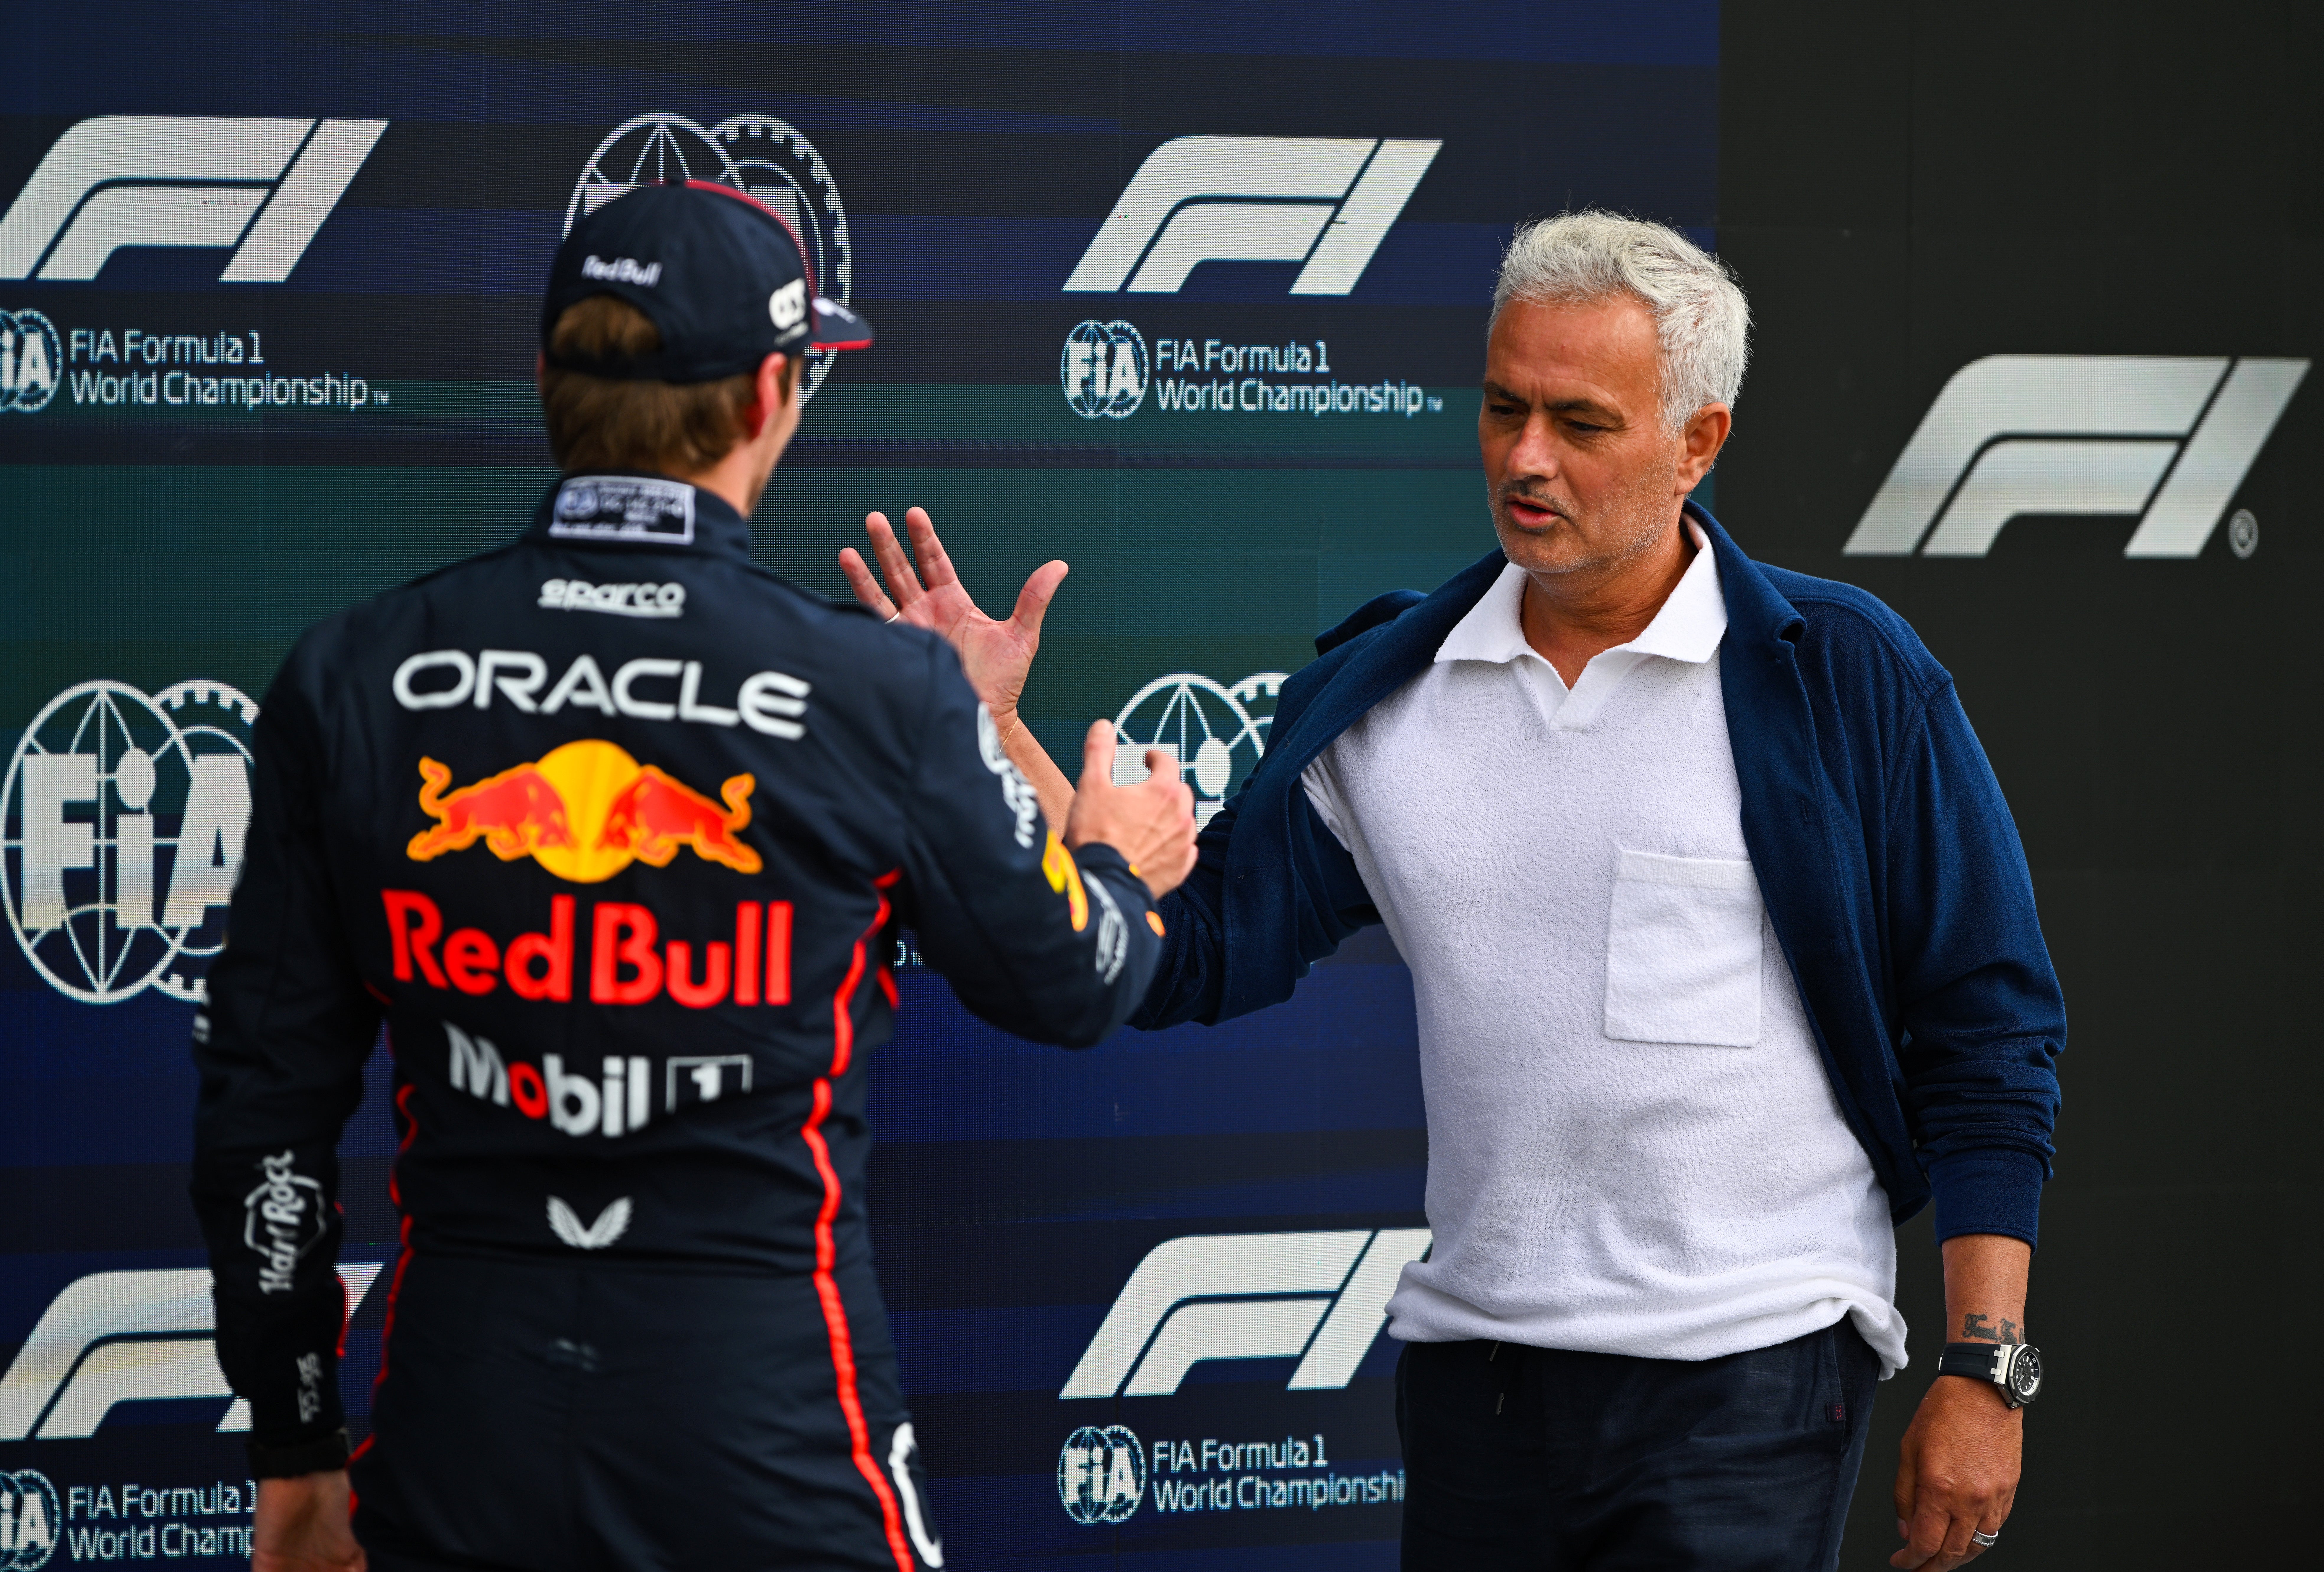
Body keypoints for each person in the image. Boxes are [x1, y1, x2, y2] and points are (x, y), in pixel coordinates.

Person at [841, 211, 2062, 1572]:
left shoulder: (1842, 677)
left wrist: (1984, 1366)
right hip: (1476, 1379)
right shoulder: (1386, 696)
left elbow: (1988, 1029)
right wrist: (981, 734)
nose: (1526, 458)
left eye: (1581, 424)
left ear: (1698, 442)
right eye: (1503, 407)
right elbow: (1184, 949)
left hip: (1753, 1372)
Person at [190, 179, 1197, 1572]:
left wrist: (295, 1447)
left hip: (457, 1417)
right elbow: (1075, 980)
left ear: (547, 377)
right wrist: (1117, 860)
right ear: (773, 394)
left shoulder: (349, 672)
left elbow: (266, 1113)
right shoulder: (878, 691)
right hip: (764, 1423)